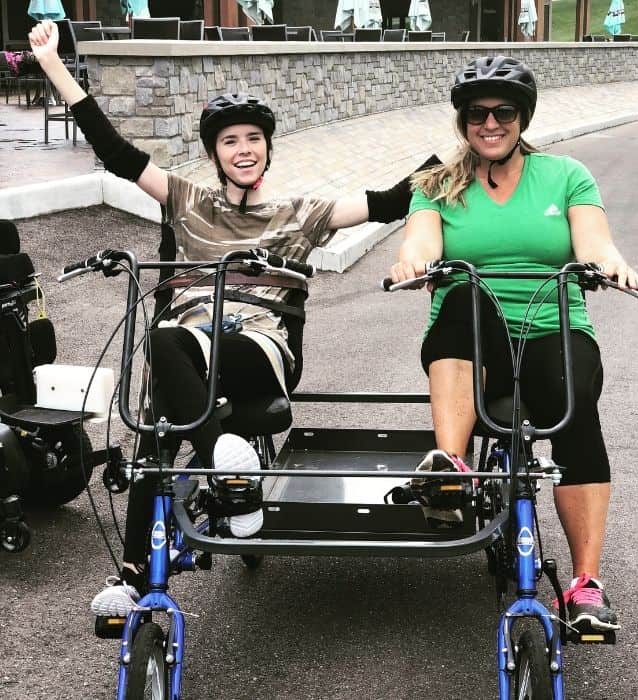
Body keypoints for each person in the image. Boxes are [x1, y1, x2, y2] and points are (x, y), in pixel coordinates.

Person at [29, 19, 436, 617]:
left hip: (259, 348)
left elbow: (391, 200)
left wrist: (472, 143)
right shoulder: (188, 201)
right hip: (192, 345)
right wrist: (53, 65)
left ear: (267, 148)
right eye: (229, 141)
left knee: (170, 381)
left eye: (253, 139)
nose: (243, 149)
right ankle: (140, 571)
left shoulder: (300, 212)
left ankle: (219, 469)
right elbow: (115, 154)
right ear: (213, 153)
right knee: (158, 414)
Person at [389, 55, 638, 633]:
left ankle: (585, 585)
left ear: (522, 117)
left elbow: (594, 241)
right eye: (477, 113)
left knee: (572, 403)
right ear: (462, 121)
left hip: (553, 326)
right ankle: (451, 472)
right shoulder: (435, 184)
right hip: (476, 342)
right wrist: (413, 263)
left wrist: (610, 264)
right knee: (462, 294)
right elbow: (421, 241)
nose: (490, 123)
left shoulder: (566, 175)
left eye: (504, 112)